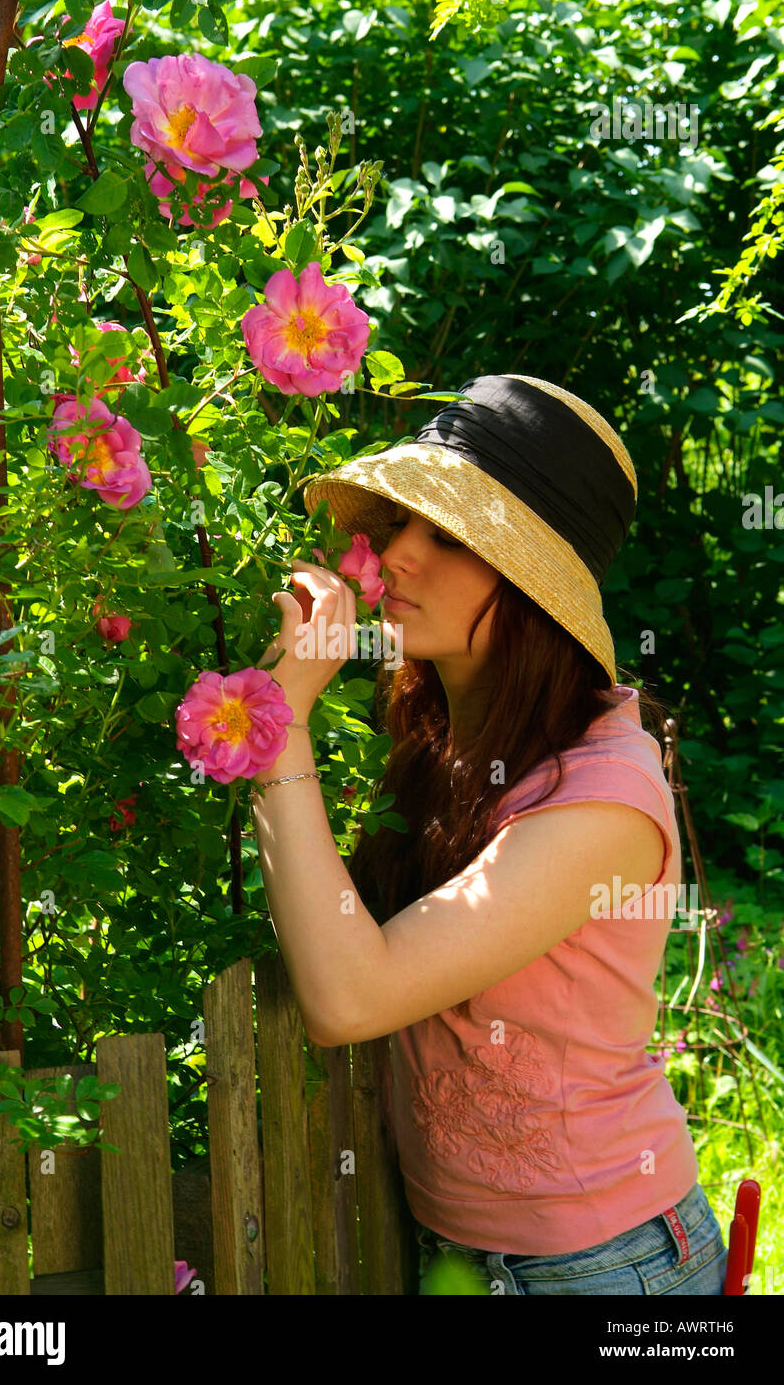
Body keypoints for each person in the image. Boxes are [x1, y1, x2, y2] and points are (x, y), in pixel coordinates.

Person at [250, 373, 728, 1295]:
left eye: (448, 535)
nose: (400, 557)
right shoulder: (443, 730)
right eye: (400, 525)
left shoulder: (603, 802)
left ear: (530, 583)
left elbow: (350, 997)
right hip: (460, 1253)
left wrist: (279, 724)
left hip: (608, 1266)